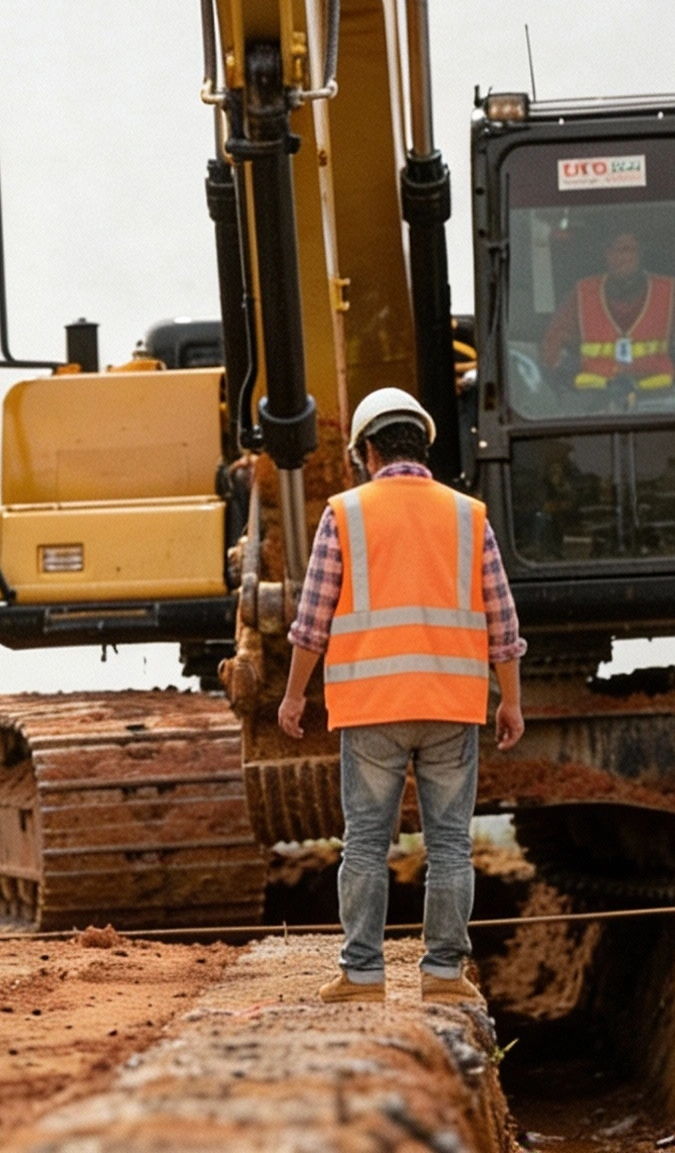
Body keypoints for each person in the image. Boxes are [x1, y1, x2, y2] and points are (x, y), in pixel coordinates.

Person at [274, 388, 526, 1006]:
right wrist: (510, 701)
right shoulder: (469, 515)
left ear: (367, 450)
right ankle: (443, 974)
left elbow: (313, 617)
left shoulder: (347, 513)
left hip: (372, 707)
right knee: (449, 845)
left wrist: (293, 696)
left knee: (364, 841)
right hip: (450, 704)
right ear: (425, 445)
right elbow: (503, 621)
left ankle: (362, 976)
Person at [539, 229, 675, 394]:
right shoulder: (582, 293)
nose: (620, 257)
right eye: (613, 250)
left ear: (641, 254)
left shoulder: (670, 291)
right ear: (605, 255)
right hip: (593, 401)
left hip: (660, 399)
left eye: (627, 249)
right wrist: (568, 372)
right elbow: (552, 350)